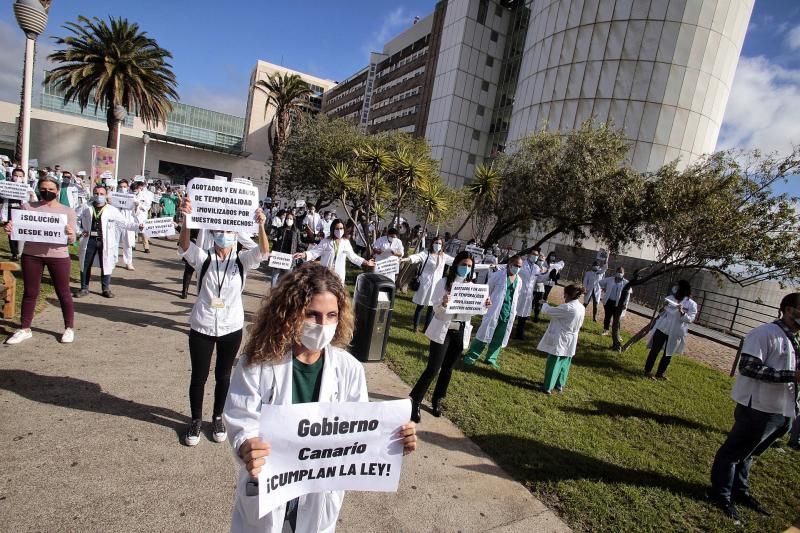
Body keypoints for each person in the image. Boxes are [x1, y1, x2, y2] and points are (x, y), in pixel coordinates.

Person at [223, 262, 417, 532]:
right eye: (312, 314)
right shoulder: (258, 364)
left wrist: (394, 442)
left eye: (331, 315)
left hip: (318, 495)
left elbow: (360, 431)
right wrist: (246, 444)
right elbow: (241, 417)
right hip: (268, 489)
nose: (322, 324)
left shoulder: (349, 369)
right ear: (291, 314)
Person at [177, 196, 269, 447]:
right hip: (203, 325)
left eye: (229, 231)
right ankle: (195, 420)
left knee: (224, 375)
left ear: (235, 234)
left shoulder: (241, 260)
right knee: (199, 375)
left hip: (231, 326)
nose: (224, 235)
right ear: (212, 232)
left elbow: (263, 251)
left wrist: (261, 224)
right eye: (219, 231)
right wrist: (186, 219)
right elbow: (184, 246)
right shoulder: (203, 257)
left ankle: (218, 417)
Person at [708, 292, 800, 522]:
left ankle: (740, 491)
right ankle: (721, 495)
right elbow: (748, 367)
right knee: (733, 452)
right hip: (758, 407)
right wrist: (792, 375)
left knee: (749, 453)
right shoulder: (764, 333)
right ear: (789, 309)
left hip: (782, 410)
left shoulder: (794, 339)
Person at [409, 251, 490, 422]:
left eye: (469, 266)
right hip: (443, 330)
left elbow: (476, 311)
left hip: (460, 331)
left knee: (448, 370)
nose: (466, 268)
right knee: (433, 368)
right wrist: (444, 304)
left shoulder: (472, 286)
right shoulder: (444, 283)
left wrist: (485, 305)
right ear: (456, 265)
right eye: (463, 265)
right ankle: (415, 400)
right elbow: (436, 309)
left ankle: (437, 399)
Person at [4, 176, 77, 345]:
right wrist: (10, 227)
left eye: (51, 189)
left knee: (63, 292)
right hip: (32, 255)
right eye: (44, 188)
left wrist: (70, 234)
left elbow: (72, 239)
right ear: (38, 189)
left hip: (58, 256)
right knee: (30, 292)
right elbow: (16, 227)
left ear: (57, 191)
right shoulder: (27, 207)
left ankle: (69, 328)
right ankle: (24, 328)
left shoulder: (67, 211)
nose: (47, 192)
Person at [75, 186, 142, 298]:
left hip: (105, 241)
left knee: (106, 264)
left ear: (106, 195)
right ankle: (84, 288)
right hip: (89, 240)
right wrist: (79, 231)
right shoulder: (85, 207)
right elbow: (74, 218)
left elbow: (125, 223)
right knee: (85, 264)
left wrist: (138, 226)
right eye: (96, 193)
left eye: (101, 193)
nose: (99, 196)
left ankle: (105, 289)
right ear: (93, 193)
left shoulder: (112, 210)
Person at [463, 255, 524, 369]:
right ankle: (471, 355)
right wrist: (486, 302)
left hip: (507, 313)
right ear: (510, 263)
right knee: (484, 333)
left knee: (499, 337)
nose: (517, 268)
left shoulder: (519, 280)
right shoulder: (498, 275)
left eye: (520, 266)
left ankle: (491, 358)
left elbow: (516, 297)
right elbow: (487, 290)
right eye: (515, 265)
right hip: (494, 310)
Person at [644, 280, 698, 379]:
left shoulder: (692, 304)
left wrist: (681, 311)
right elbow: (661, 313)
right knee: (654, 350)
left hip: (676, 332)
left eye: (677, 287)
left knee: (668, 354)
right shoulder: (670, 298)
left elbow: (690, 320)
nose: (675, 288)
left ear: (683, 289)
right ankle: (647, 371)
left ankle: (660, 373)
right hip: (662, 328)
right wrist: (663, 307)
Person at [538, 285, 587, 394]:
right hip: (572, 338)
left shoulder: (568, 307)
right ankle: (559, 384)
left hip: (561, 337)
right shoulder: (581, 307)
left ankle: (548, 387)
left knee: (554, 361)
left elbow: (550, 311)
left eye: (564, 294)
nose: (564, 296)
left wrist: (544, 304)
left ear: (568, 295)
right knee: (565, 362)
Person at [401, 236, 454, 332]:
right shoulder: (426, 253)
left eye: (439, 244)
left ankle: (426, 328)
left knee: (431, 308)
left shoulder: (443, 256)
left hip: (437, 286)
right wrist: (407, 259)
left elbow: (457, 262)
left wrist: (483, 265)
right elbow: (416, 257)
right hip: (425, 284)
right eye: (436, 243)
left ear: (442, 245)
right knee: (420, 306)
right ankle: (415, 327)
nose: (437, 245)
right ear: (432, 243)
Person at [295, 218, 374, 283]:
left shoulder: (345, 242)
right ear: (333, 229)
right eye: (337, 228)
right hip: (325, 273)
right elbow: (315, 252)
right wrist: (303, 254)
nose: (339, 231)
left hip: (339, 274)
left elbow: (353, 257)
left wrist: (367, 262)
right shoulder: (326, 241)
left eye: (341, 228)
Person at [513, 252, 550, 339]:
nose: (536, 257)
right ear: (529, 255)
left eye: (537, 255)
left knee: (524, 316)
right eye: (534, 255)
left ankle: (519, 334)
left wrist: (548, 274)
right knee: (513, 313)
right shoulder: (521, 265)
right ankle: (507, 331)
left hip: (528, 295)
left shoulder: (536, 268)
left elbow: (539, 279)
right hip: (519, 293)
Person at [3, 168, 37, 260]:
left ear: (23, 177)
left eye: (20, 176)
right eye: (16, 175)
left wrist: (31, 195)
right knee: (10, 232)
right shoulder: (6, 186)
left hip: (21, 211)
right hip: (9, 210)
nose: (17, 178)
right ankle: (14, 252)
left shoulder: (27, 188)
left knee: (21, 232)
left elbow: (34, 201)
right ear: (12, 176)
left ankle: (22, 251)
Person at [599, 267, 631, 351]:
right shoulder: (610, 279)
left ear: (624, 273)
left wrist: (625, 303)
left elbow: (628, 293)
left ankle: (617, 334)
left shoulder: (626, 282)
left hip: (619, 304)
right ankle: (606, 330)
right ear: (615, 272)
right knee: (607, 316)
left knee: (617, 319)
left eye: (621, 272)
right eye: (618, 271)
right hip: (609, 301)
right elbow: (600, 282)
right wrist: (603, 288)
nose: (619, 273)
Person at [270, 211, 300, 287]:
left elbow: (299, 243)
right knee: (274, 277)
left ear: (293, 220)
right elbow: (271, 236)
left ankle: (283, 294)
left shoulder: (296, 231)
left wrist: (309, 246)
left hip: (289, 258)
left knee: (287, 279)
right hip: (278, 256)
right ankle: (272, 294)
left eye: (291, 218)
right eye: (287, 218)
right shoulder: (280, 229)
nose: (289, 220)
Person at [115, 179, 137, 270]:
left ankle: (128, 262)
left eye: (124, 187)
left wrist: (136, 206)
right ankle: (113, 261)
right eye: (120, 187)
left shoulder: (132, 197)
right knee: (114, 243)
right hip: (116, 223)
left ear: (127, 187)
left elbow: (136, 213)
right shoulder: (114, 196)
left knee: (128, 244)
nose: (122, 188)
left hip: (128, 222)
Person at [132, 182, 153, 253]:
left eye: (136, 189)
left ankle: (146, 247)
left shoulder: (144, 195)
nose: (135, 191)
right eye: (133, 190)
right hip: (133, 216)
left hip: (142, 215)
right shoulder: (131, 195)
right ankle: (133, 245)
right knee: (133, 231)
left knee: (143, 232)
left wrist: (140, 206)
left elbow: (148, 205)